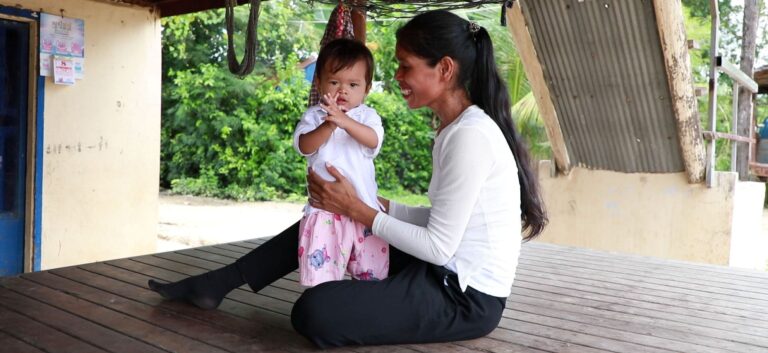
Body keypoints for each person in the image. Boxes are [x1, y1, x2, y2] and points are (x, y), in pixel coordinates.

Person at [148, 10, 547, 348]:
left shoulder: (470, 136)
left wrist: (360, 209)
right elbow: (444, 222)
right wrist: (380, 207)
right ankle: (218, 282)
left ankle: (246, 283)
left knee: (314, 312)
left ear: (444, 69)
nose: (398, 75)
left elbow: (440, 248)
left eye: (406, 65)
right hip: (443, 273)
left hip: (464, 298)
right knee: (327, 212)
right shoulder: (455, 129)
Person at [293, 38, 388, 286]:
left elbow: (373, 140)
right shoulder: (314, 116)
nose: (342, 90)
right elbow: (304, 146)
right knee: (320, 279)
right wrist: (329, 123)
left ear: (366, 89)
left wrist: (345, 122)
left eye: (353, 84)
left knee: (371, 277)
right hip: (325, 213)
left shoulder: (368, 116)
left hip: (364, 211)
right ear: (319, 82)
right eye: (334, 82)